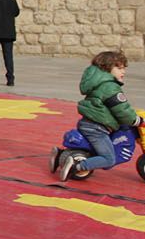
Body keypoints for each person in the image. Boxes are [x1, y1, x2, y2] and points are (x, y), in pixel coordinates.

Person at [58, 50, 139, 180]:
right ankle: (77, 166)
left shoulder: (98, 84)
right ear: (107, 69)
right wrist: (135, 120)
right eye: (119, 68)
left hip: (89, 123)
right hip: (98, 128)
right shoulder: (109, 87)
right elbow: (121, 109)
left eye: (124, 68)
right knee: (108, 158)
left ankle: (60, 156)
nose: (123, 72)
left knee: (96, 148)